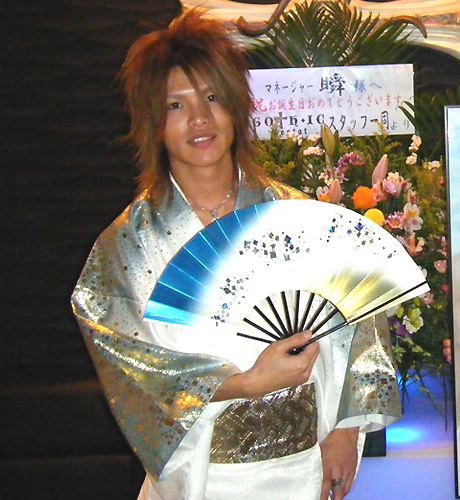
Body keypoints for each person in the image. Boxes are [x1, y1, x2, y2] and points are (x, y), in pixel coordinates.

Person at [71, 9, 401, 500]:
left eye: (211, 98)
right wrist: (246, 383)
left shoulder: (298, 216)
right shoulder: (128, 245)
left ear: (236, 105)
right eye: (175, 105)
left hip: (303, 467)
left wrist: (345, 429)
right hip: (203, 475)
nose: (199, 119)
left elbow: (359, 324)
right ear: (152, 122)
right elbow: (132, 367)